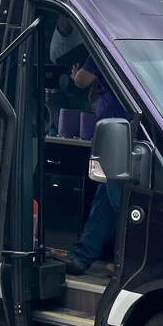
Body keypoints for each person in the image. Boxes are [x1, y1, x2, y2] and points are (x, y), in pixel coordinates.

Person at [50, 55, 127, 277]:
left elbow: (82, 80)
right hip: (118, 136)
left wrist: (76, 74)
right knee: (105, 199)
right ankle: (82, 256)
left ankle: (125, 261)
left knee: (120, 201)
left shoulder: (102, 49)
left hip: (118, 137)